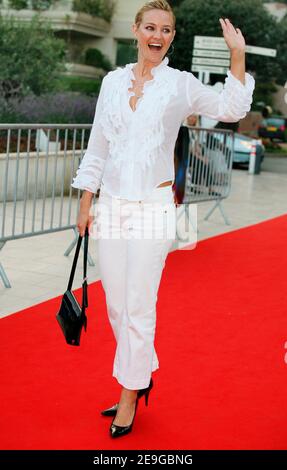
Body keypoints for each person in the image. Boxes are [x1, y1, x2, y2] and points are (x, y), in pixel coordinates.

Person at [71, 0, 255, 439]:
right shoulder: (112, 83)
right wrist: (85, 202)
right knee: (116, 305)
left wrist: (237, 54)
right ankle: (141, 371)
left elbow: (231, 107)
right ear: (136, 31)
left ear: (172, 36)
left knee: (138, 304)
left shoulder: (179, 85)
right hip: (111, 206)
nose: (158, 35)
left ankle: (130, 392)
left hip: (154, 209)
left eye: (167, 29)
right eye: (150, 27)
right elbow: (98, 147)